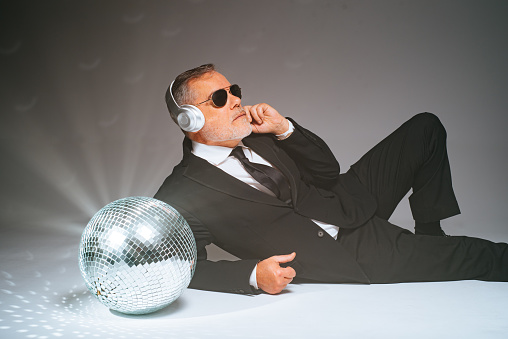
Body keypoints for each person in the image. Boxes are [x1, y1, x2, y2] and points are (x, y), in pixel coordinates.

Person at [154, 64, 508, 295]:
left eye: (234, 91)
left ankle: (430, 233)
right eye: (220, 98)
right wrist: (250, 275)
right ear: (190, 120)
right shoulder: (182, 191)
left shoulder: (260, 136)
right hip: (343, 250)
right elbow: (181, 266)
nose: (235, 101)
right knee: (476, 255)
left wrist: (284, 129)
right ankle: (434, 248)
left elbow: (327, 171)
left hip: (344, 200)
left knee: (425, 128)